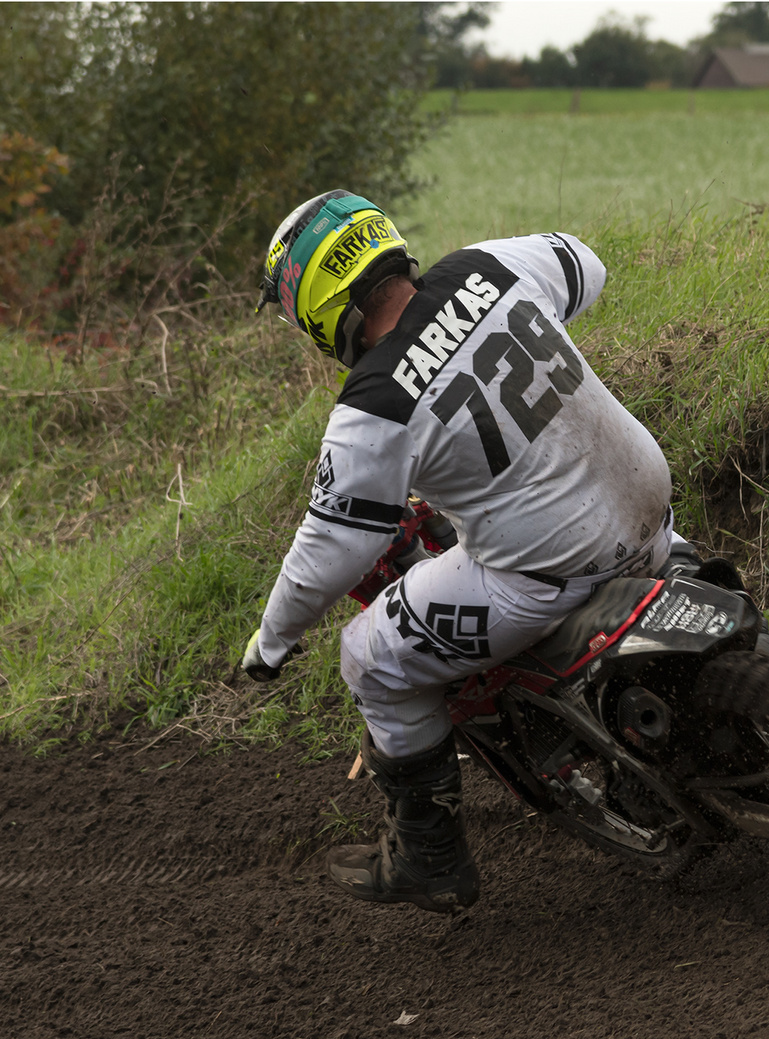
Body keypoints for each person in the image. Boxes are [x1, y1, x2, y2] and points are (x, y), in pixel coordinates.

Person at [243, 191, 678, 913]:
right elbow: (585, 266)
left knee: (369, 656)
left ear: (314, 306)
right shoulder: (491, 267)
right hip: (648, 513)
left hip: (547, 576)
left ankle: (428, 855)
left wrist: (272, 641)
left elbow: (330, 548)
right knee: (679, 561)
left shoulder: (372, 405)